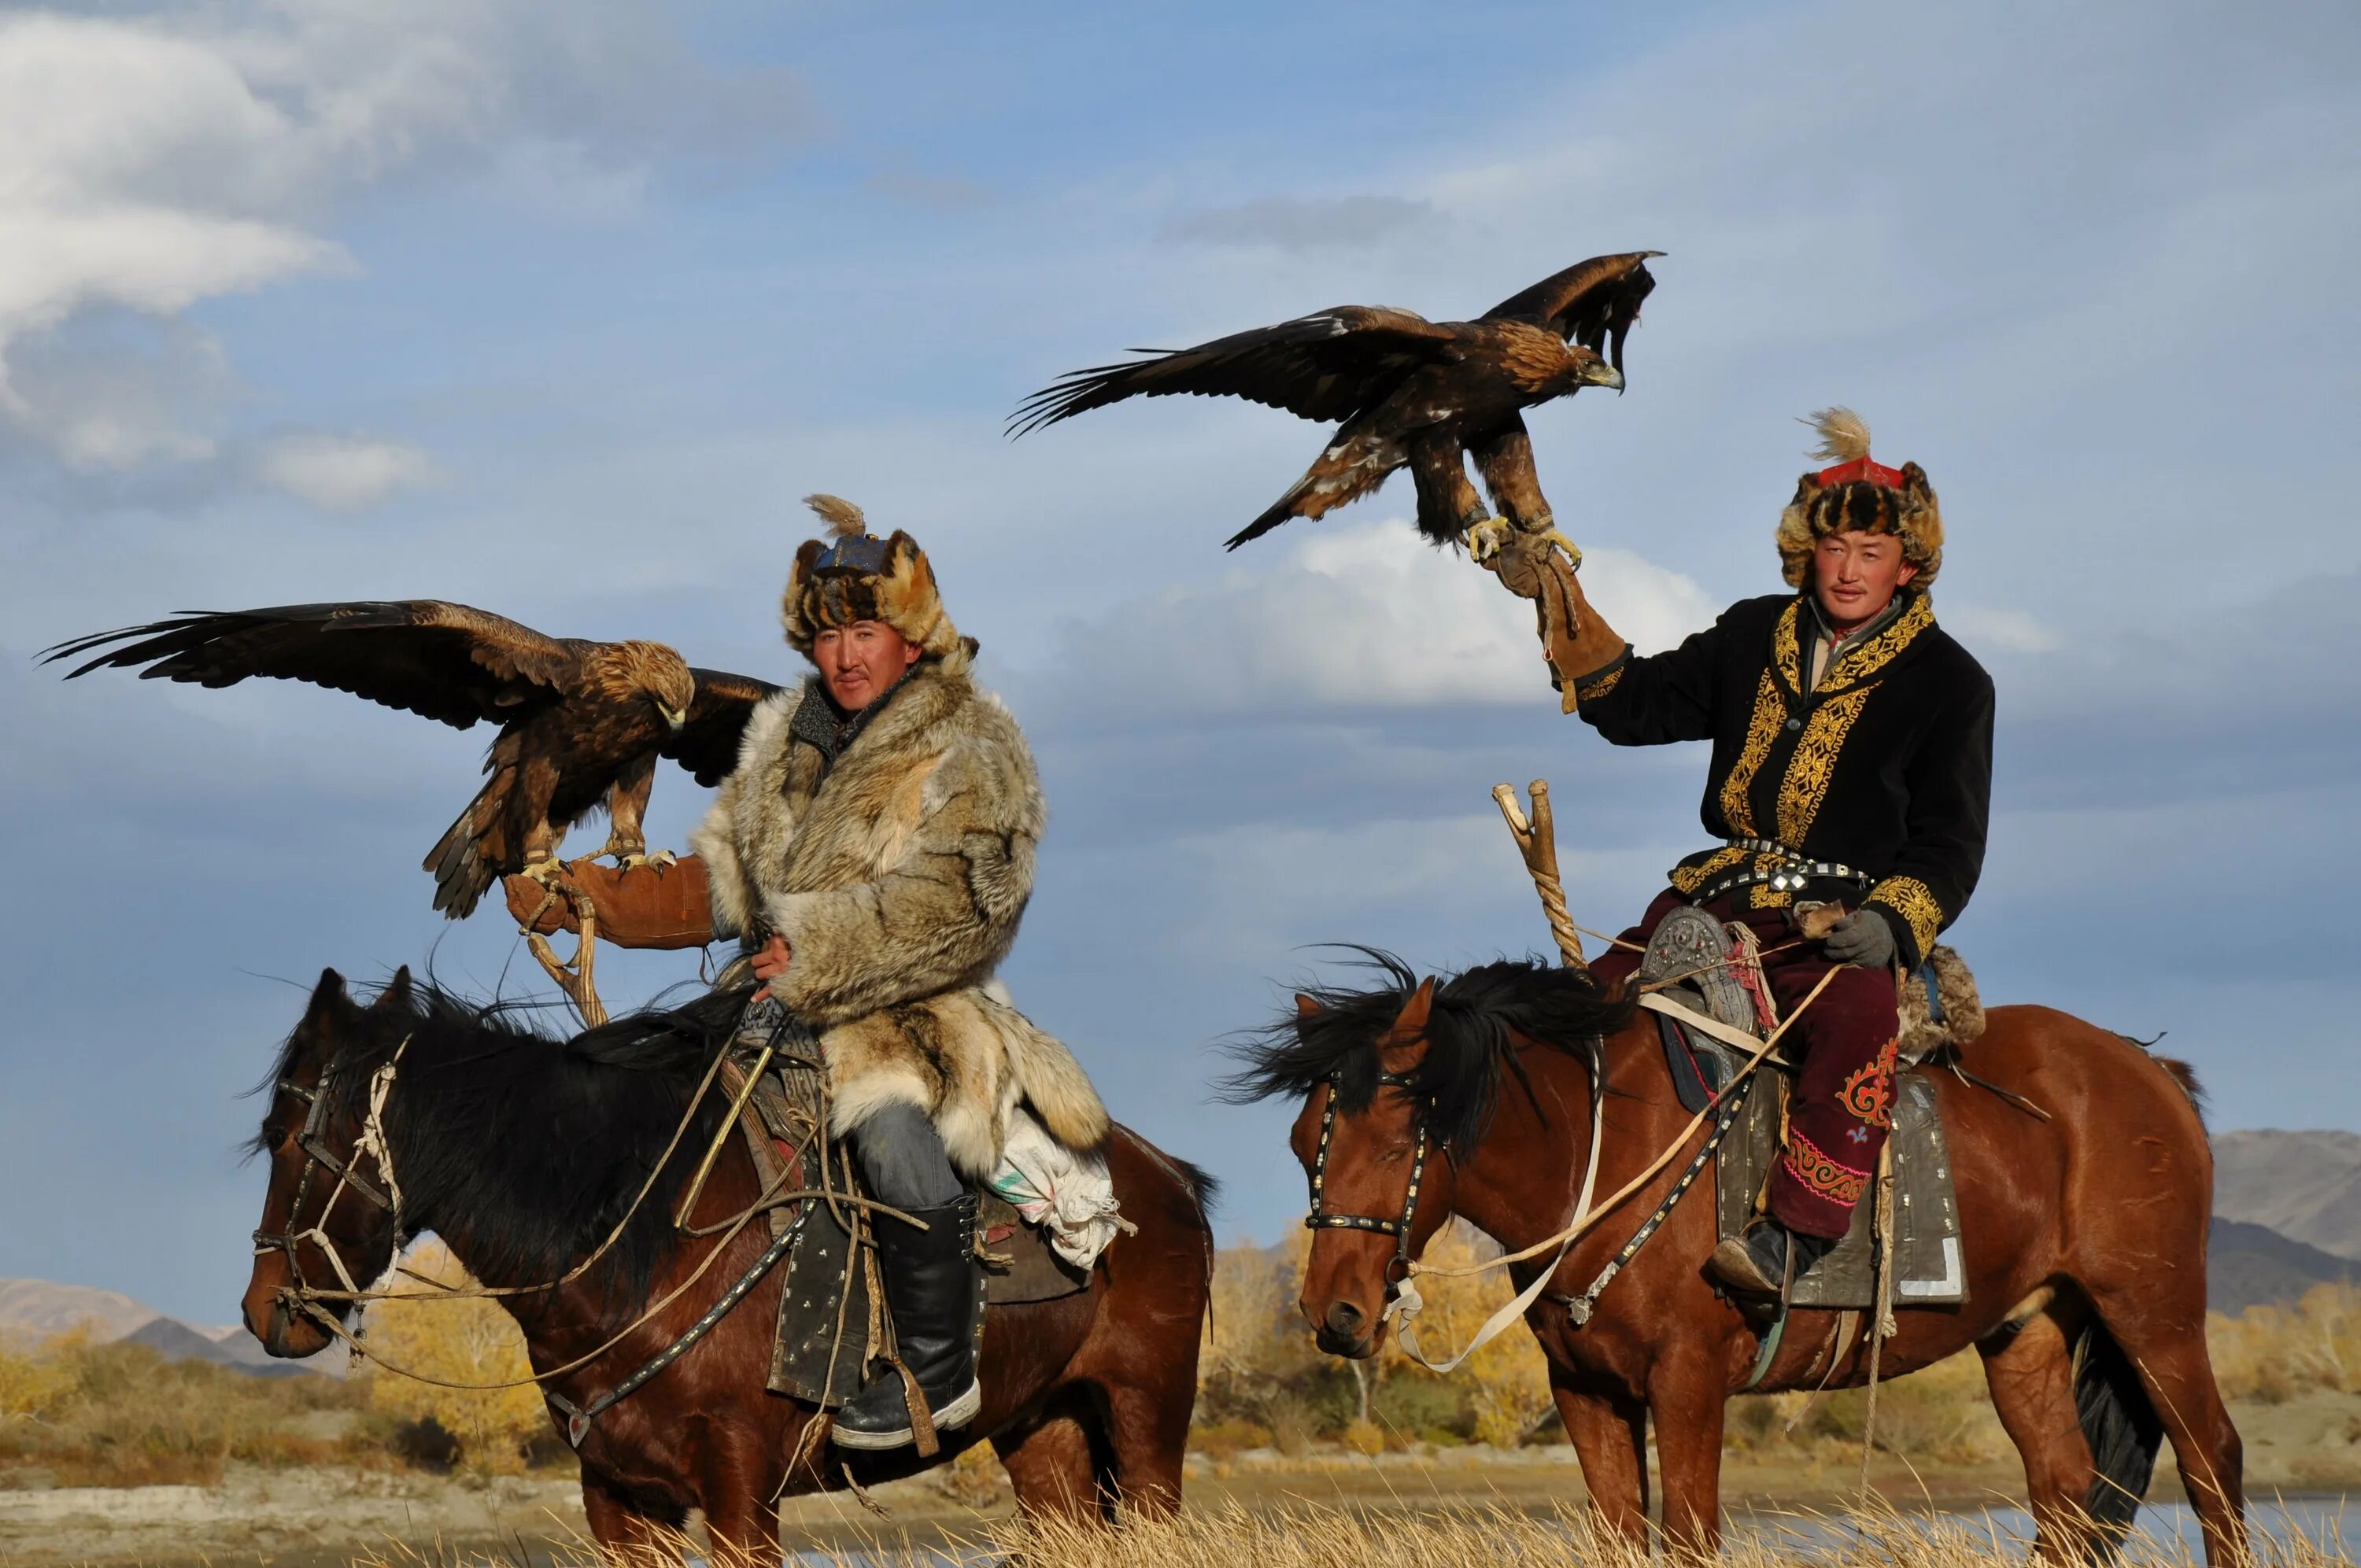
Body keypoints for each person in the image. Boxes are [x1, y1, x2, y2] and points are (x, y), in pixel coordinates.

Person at [1487, 409, 1993, 1299]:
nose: (1849, 569)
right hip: (1710, 904)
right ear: (1808, 552)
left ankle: (1797, 1235)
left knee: (1856, 1025)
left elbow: (1951, 840)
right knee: (1582, 1016)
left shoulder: (1951, 682)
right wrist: (1554, 594)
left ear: (1907, 565)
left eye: (1871, 552)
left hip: (1838, 924)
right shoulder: (1753, 632)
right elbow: (1632, 702)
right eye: (1834, 549)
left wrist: (1890, 924)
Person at [689, 495, 1110, 1448]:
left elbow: (968, 903)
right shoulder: (782, 744)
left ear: (910, 637)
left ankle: (937, 1366)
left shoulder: (972, 741)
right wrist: (593, 901)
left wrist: (821, 948)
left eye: (865, 630)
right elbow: (720, 875)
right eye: (828, 634)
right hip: (766, 1006)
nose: (844, 655)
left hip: (911, 1010)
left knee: (883, 1120)